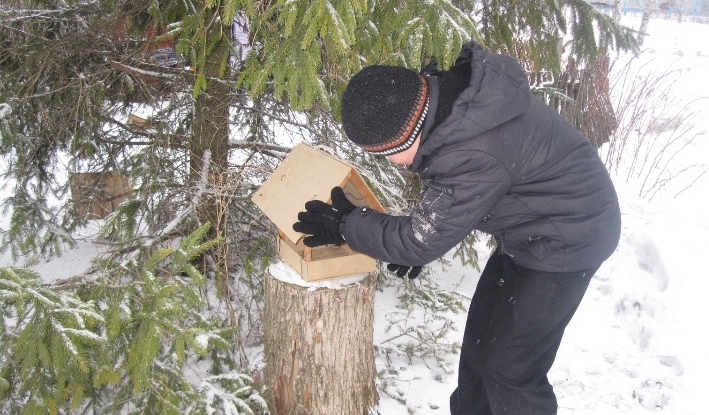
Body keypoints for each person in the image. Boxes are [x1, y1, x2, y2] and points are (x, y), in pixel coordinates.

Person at [293, 41, 621, 415]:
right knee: (481, 349)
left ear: (409, 134)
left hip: (570, 239)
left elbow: (426, 231)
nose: (394, 164)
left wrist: (346, 225)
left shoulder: (472, 149)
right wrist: (418, 237)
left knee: (509, 372)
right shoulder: (453, 105)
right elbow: (464, 197)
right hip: (535, 228)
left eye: (386, 154)